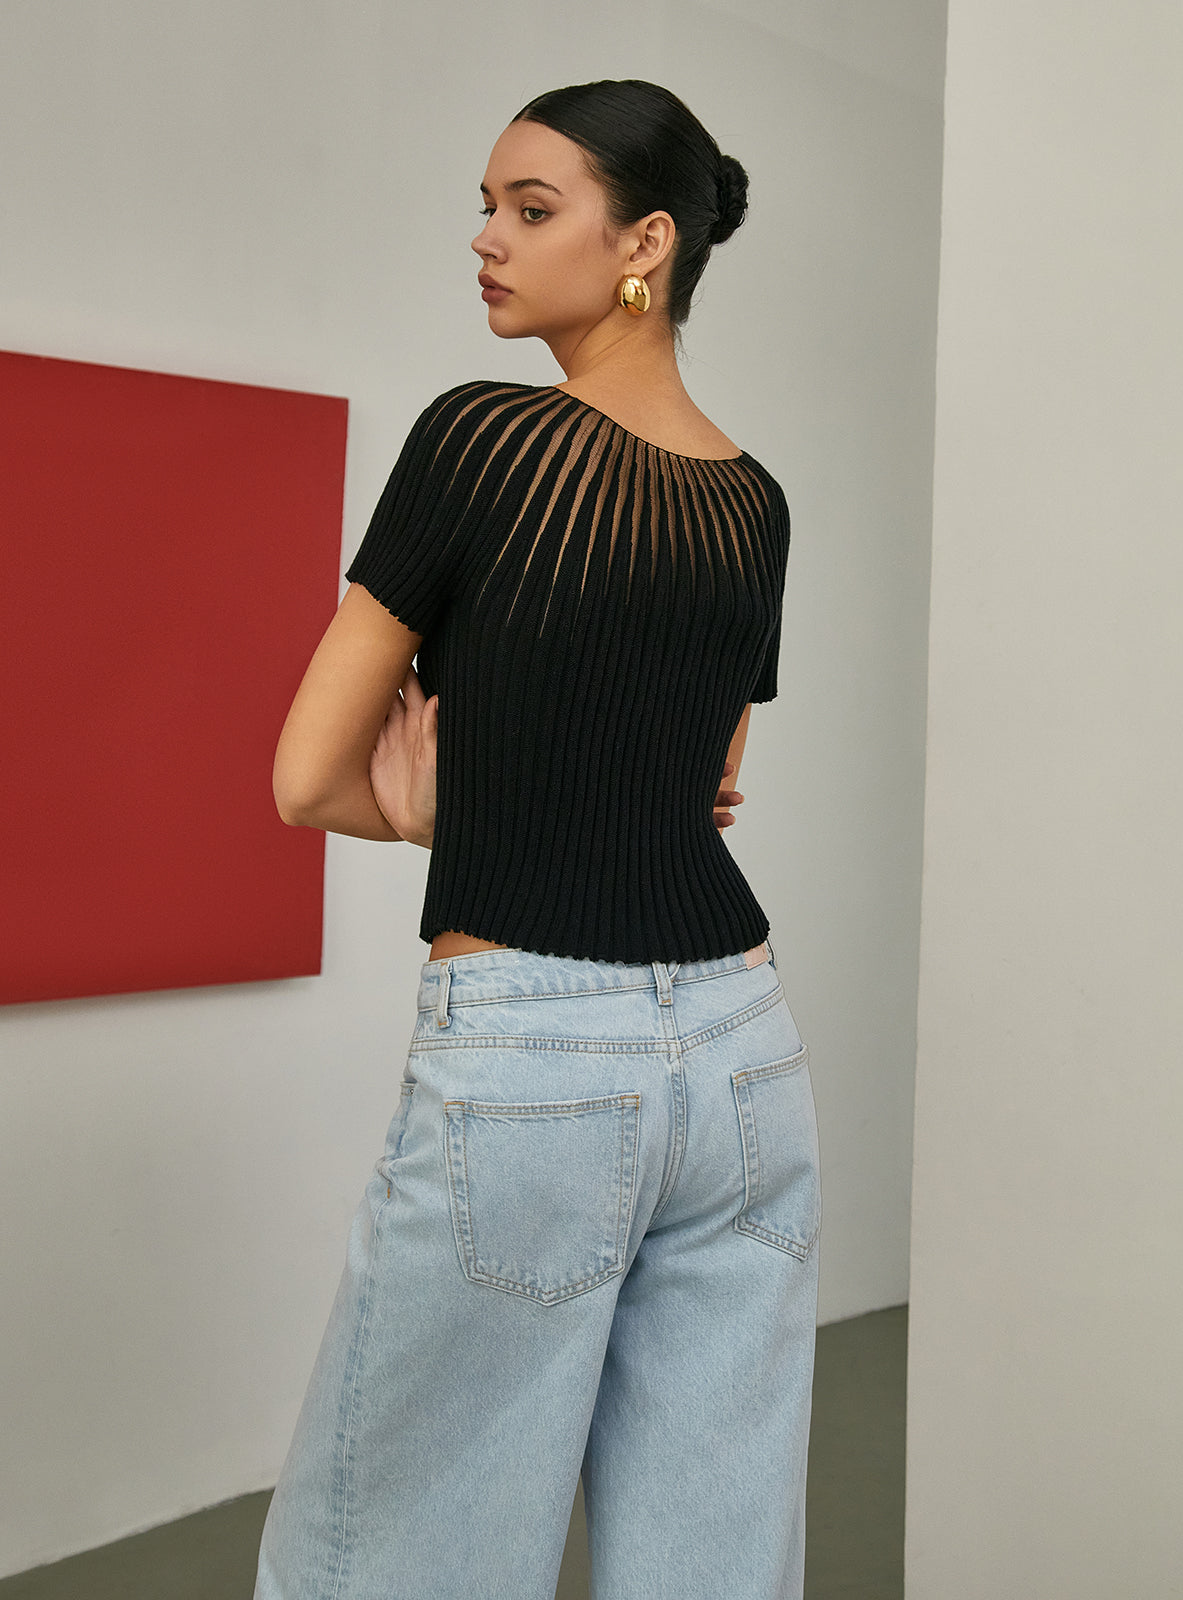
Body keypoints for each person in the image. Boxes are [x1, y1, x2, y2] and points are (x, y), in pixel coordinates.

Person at [254, 78, 821, 1600]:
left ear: (645, 243)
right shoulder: (755, 503)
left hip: (537, 1062)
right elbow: (704, 788)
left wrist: (422, 811)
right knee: (714, 1560)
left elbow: (306, 779)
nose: (487, 239)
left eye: (531, 208)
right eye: (489, 208)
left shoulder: (482, 436)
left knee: (394, 1560)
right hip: (744, 1054)